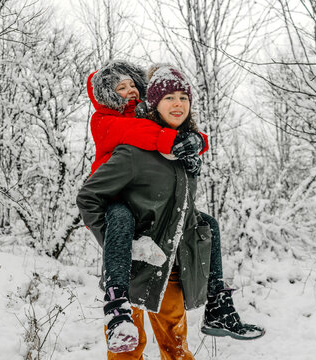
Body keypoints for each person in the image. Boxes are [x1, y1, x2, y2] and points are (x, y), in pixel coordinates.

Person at [78, 64, 264, 359]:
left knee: (177, 349)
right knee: (128, 352)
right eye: (168, 98)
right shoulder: (125, 139)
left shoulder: (177, 153)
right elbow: (89, 197)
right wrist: (117, 244)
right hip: (132, 267)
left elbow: (180, 211)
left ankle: (219, 306)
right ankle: (117, 307)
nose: (177, 103)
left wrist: (194, 145)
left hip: (169, 269)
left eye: (183, 97)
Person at [86, 60, 207, 353]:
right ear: (108, 95)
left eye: (132, 85)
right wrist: (174, 141)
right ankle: (118, 305)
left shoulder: (148, 116)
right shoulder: (105, 120)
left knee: (175, 340)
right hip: (119, 211)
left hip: (160, 236)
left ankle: (219, 299)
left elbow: (174, 119)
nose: (129, 91)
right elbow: (138, 133)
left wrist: (197, 142)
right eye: (120, 88)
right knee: (128, 346)